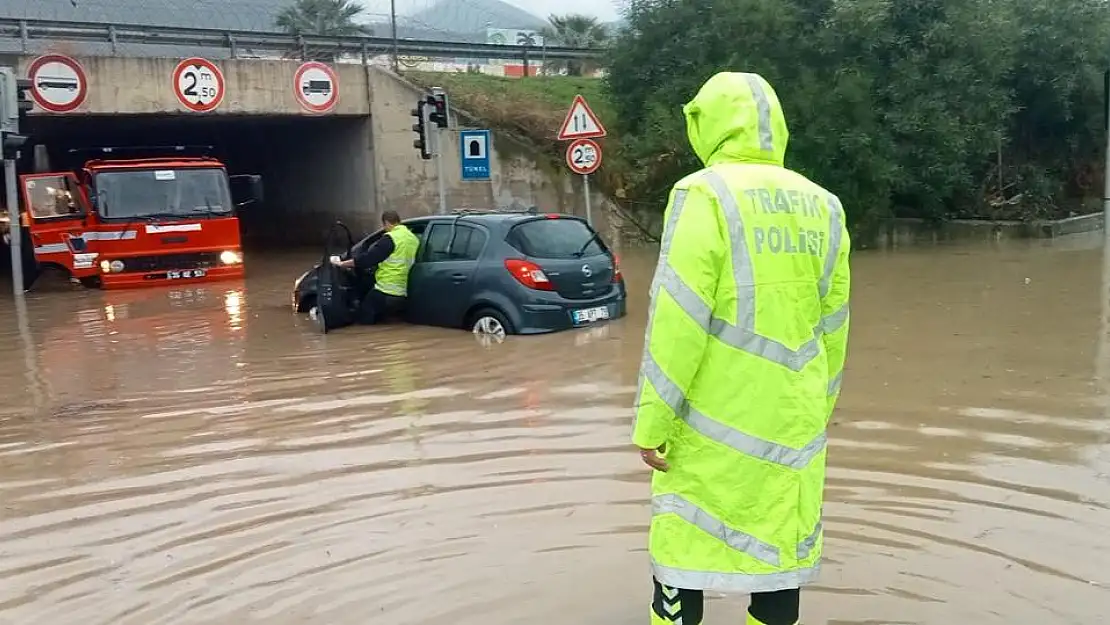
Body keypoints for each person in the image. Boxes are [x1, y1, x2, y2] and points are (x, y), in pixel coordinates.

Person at [632, 72, 851, 625]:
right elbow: (835, 327)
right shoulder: (825, 206)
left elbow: (677, 320)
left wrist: (651, 424)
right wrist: (816, 413)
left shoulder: (701, 194)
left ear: (705, 124)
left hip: (707, 425)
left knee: (683, 558)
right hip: (792, 424)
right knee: (778, 563)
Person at [333, 210, 419, 324]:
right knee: (384, 322)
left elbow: (368, 259)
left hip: (385, 290)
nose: (384, 228)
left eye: (384, 226)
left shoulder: (391, 238)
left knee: (363, 318)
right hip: (402, 292)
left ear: (387, 223)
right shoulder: (413, 239)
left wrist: (342, 264)